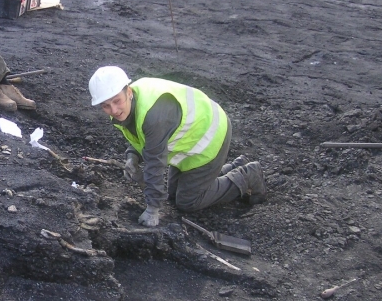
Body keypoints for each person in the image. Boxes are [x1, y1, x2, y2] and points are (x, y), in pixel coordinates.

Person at [88, 66, 266, 226]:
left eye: (116, 101)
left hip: (209, 137)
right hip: (188, 144)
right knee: (172, 194)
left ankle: (247, 175)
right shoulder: (129, 107)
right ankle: (231, 168)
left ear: (128, 91)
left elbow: (155, 163)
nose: (114, 110)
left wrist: (152, 209)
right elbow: (141, 137)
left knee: (188, 202)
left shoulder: (154, 115)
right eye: (106, 106)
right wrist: (132, 156)